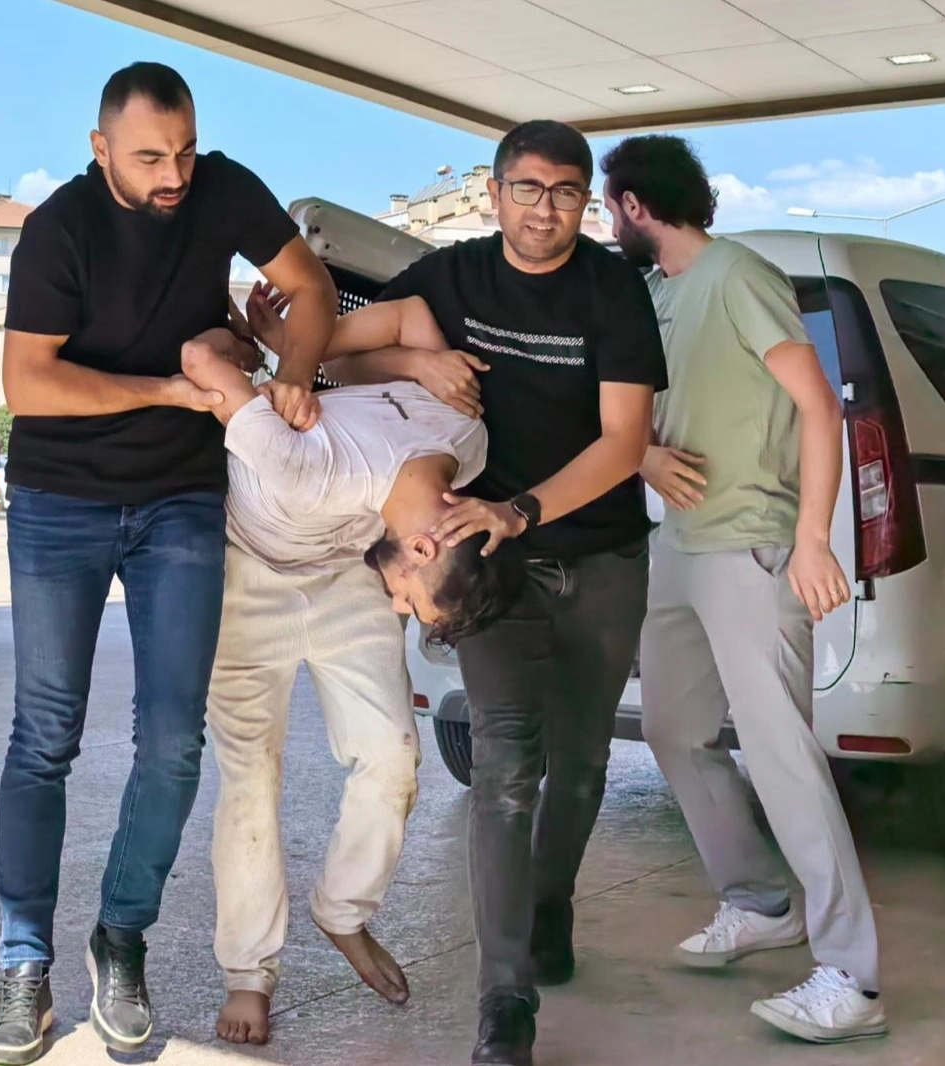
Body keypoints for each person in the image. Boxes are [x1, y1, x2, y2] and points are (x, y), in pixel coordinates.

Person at [0, 61, 337, 1066]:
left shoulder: (221, 188)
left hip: (181, 498)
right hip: (61, 498)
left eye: (183, 151)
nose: (173, 174)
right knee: (45, 735)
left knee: (176, 742)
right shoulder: (59, 228)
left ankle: (121, 938)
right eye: (148, 158)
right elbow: (29, 384)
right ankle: (23, 961)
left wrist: (295, 372)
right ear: (101, 150)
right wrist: (172, 393)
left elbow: (310, 288)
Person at [329, 120, 666, 1066]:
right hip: (487, 573)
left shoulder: (611, 290)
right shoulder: (452, 277)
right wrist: (418, 360)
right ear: (494, 193)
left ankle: (549, 901)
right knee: (505, 773)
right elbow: (337, 359)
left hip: (599, 555)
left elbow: (625, 442)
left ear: (586, 203)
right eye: (528, 189)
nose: (544, 210)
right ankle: (504, 998)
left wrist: (521, 508)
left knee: (582, 765)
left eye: (565, 193)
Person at [601, 134, 887, 1044]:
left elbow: (819, 404)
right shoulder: (657, 295)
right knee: (673, 728)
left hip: (753, 546)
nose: (609, 224)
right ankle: (760, 900)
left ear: (636, 205)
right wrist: (643, 456)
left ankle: (853, 979)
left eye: (609, 207)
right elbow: (637, 418)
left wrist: (811, 540)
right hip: (679, 546)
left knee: (780, 754)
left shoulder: (737, 276)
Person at [174, 308, 525, 1046]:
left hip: (350, 572)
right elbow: (199, 359)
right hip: (251, 578)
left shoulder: (467, 438)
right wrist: (276, 359)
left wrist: (405, 362)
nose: (404, 611)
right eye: (414, 602)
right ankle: (248, 974)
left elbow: (406, 327)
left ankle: (343, 913)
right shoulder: (306, 469)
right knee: (251, 777)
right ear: (426, 547)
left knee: (395, 756)